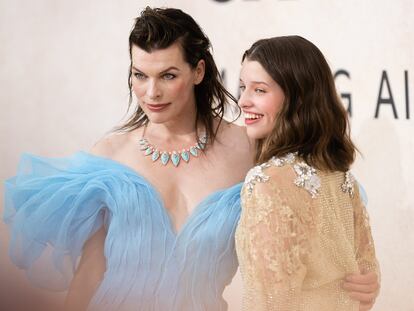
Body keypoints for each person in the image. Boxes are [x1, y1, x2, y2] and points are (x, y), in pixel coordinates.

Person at [4, 8, 378, 311]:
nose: (151, 93)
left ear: (198, 71)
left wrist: (363, 277)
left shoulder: (250, 150)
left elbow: (321, 208)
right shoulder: (112, 153)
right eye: (139, 75)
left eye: (168, 75)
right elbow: (90, 272)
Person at [235, 35, 380, 311]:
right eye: (243, 87)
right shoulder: (342, 178)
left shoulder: (266, 182)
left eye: (259, 90)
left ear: (297, 98)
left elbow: (271, 304)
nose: (243, 100)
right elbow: (366, 285)